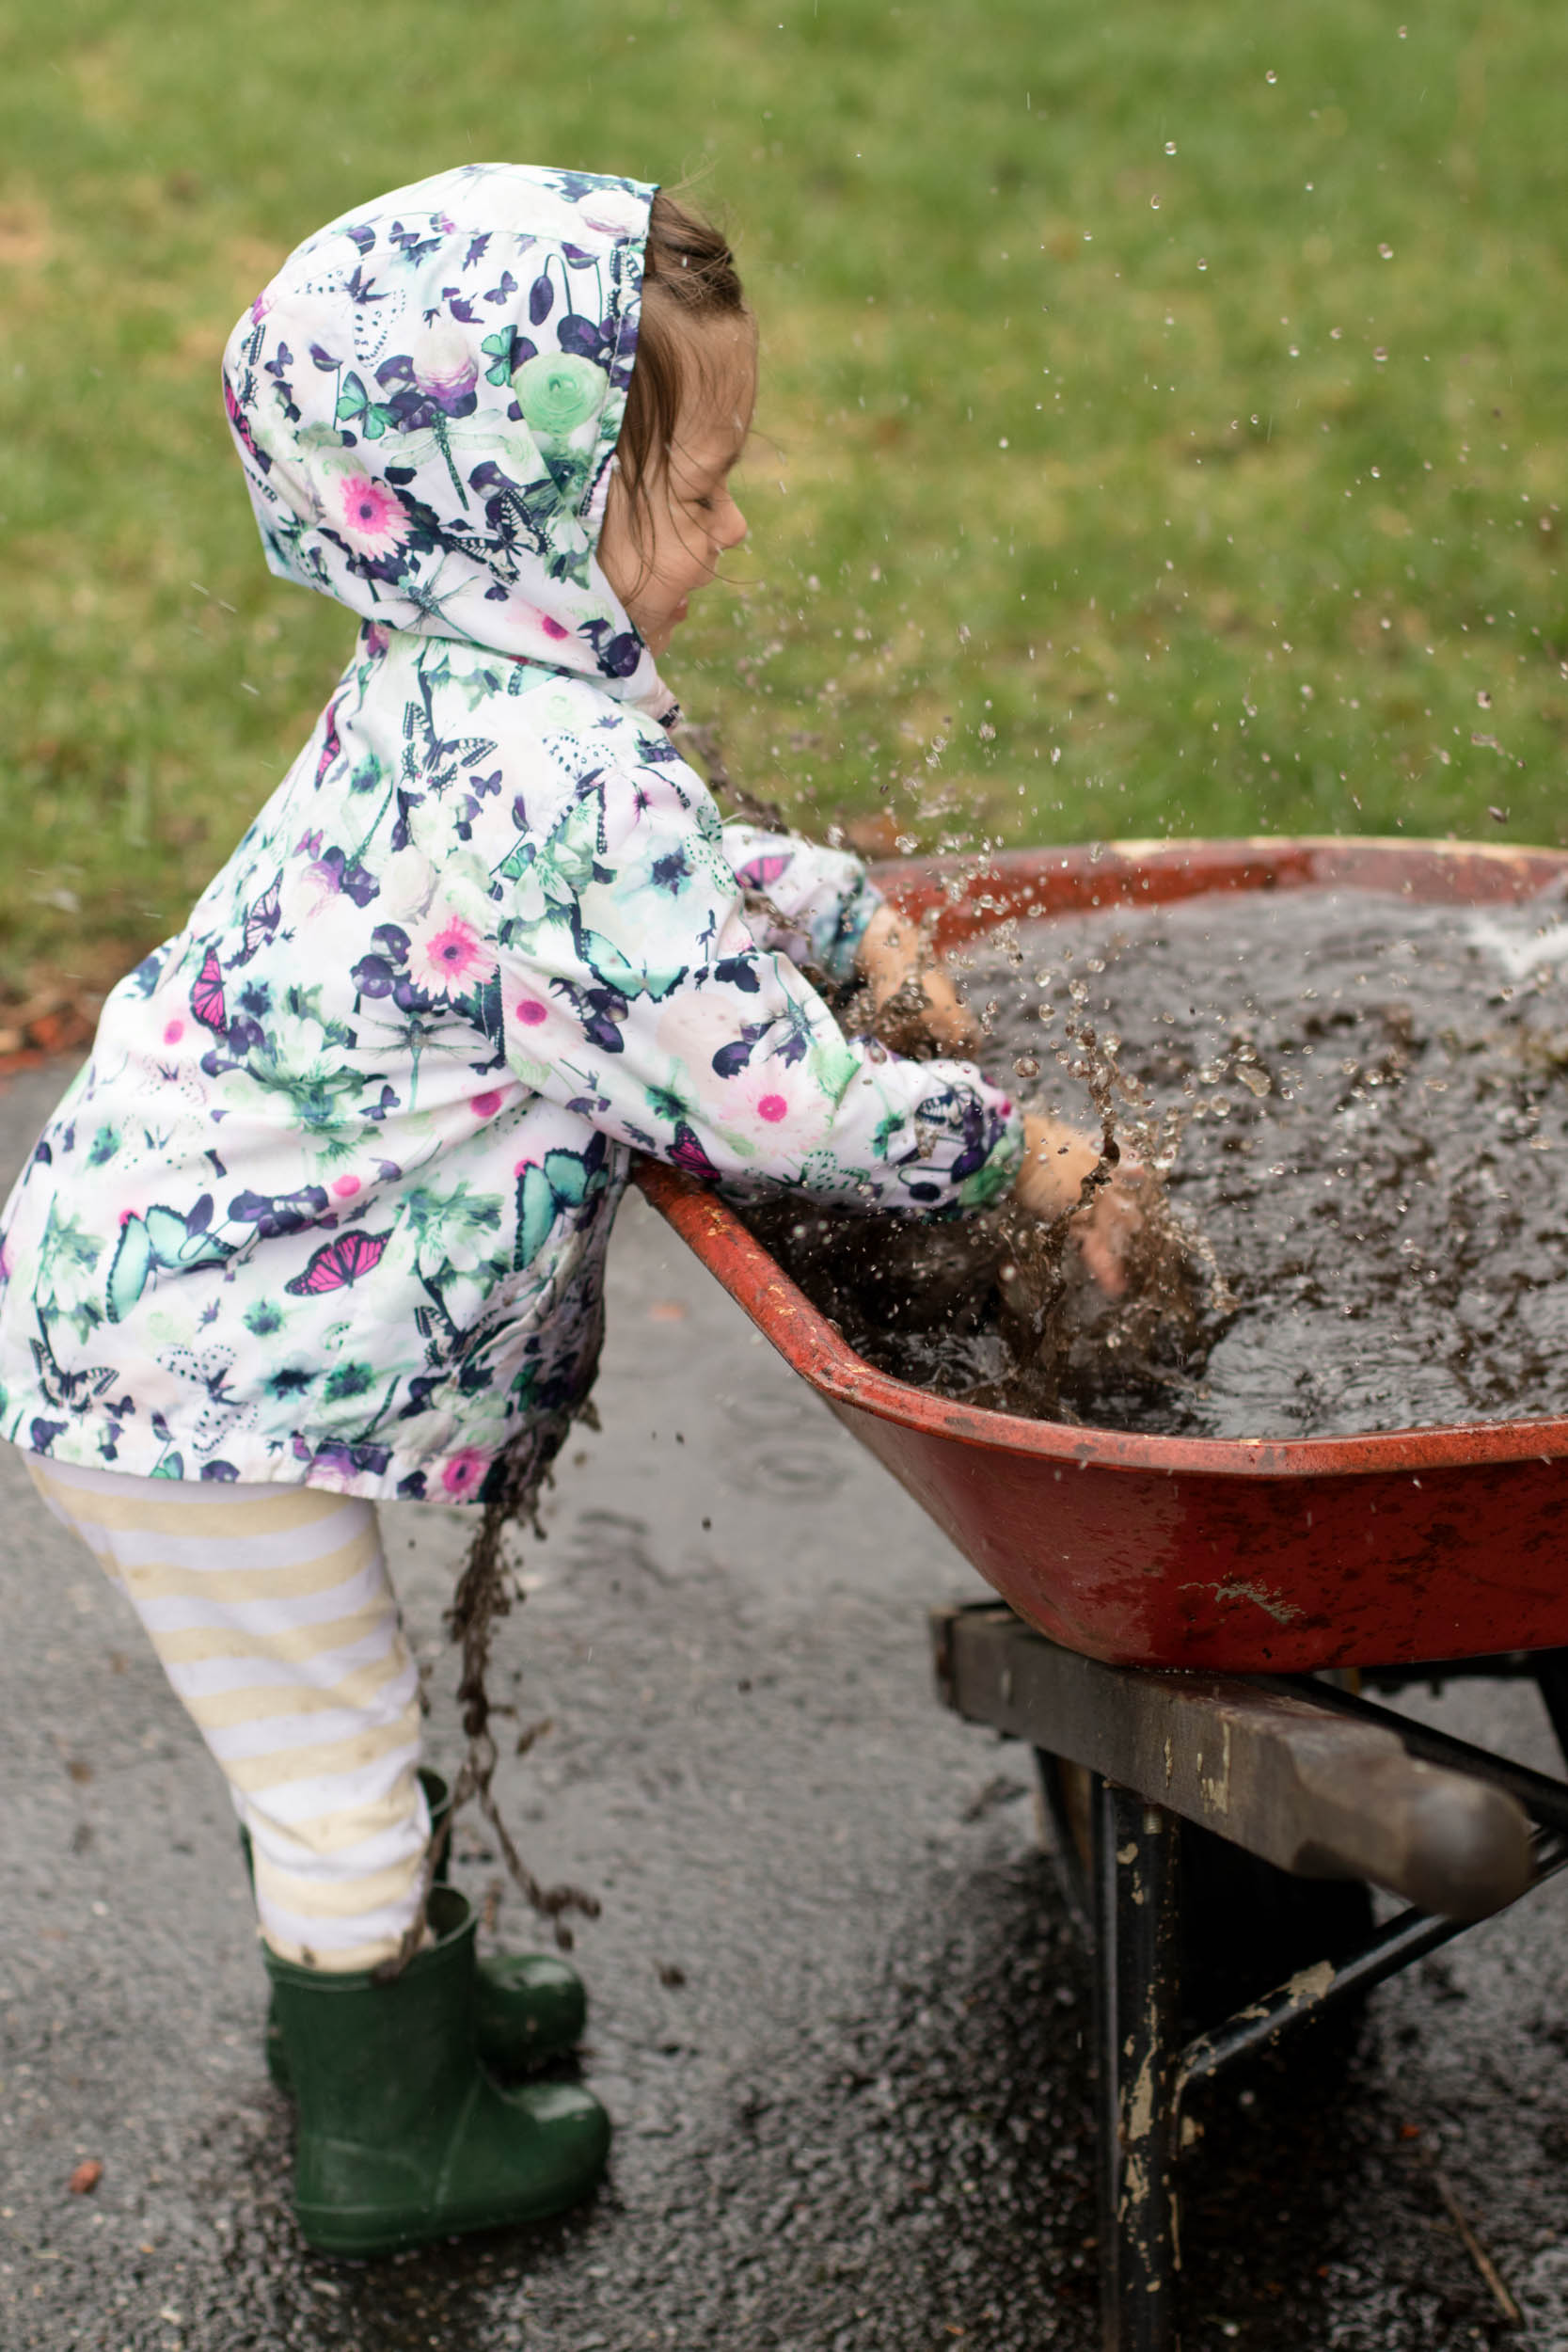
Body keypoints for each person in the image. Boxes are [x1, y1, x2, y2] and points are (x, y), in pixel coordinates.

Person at [0, 163, 1138, 2256]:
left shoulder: (472, 673)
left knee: (326, 1708)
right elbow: (771, 1102)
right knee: (331, 1755)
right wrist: (1011, 1147)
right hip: (182, 1366)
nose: (732, 528)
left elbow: (675, 872)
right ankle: (385, 2132)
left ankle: (405, 1996)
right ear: (534, 508)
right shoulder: (553, 763)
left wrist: (852, 909)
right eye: (701, 488)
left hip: (156, 1296)